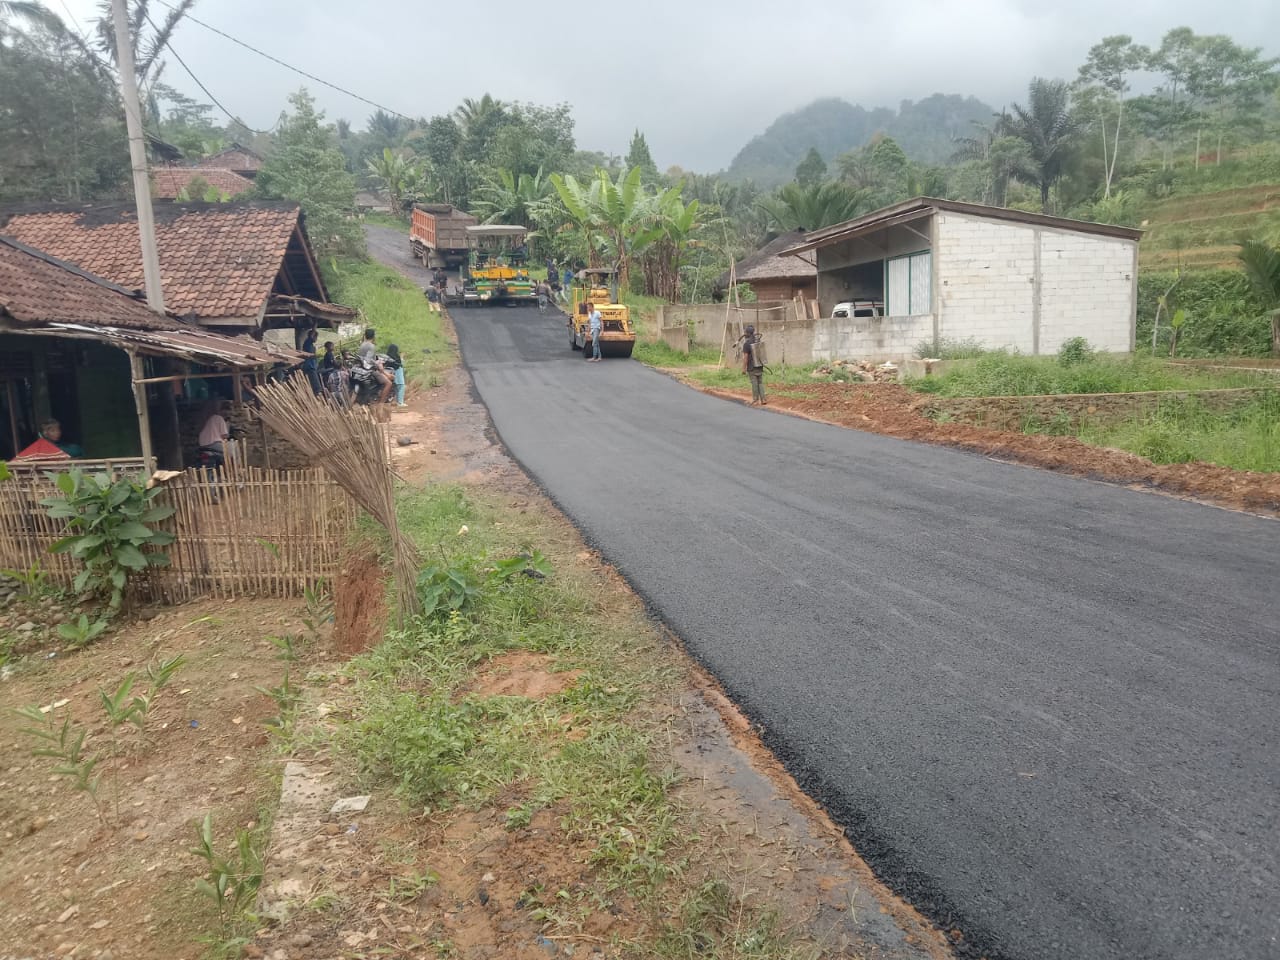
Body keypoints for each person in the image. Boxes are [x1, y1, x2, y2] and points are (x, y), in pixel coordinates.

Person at [358, 327, 393, 404]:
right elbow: (368, 360)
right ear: (373, 336)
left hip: (360, 368)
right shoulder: (371, 346)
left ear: (365, 336)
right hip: (369, 369)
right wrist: (377, 364)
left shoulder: (362, 345)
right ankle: (380, 404)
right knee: (388, 383)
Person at [741, 324, 766, 405]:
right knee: (760, 382)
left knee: (754, 383)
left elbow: (745, 357)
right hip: (760, 365)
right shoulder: (758, 341)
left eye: (745, 332)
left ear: (747, 333)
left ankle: (755, 400)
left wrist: (744, 369)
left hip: (752, 367)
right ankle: (763, 399)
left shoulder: (746, 344)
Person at [301, 326, 321, 395]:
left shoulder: (311, 345)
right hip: (309, 367)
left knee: (314, 383)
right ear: (312, 336)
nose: (316, 339)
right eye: (315, 337)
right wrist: (315, 325)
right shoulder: (308, 342)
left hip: (312, 366)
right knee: (316, 386)